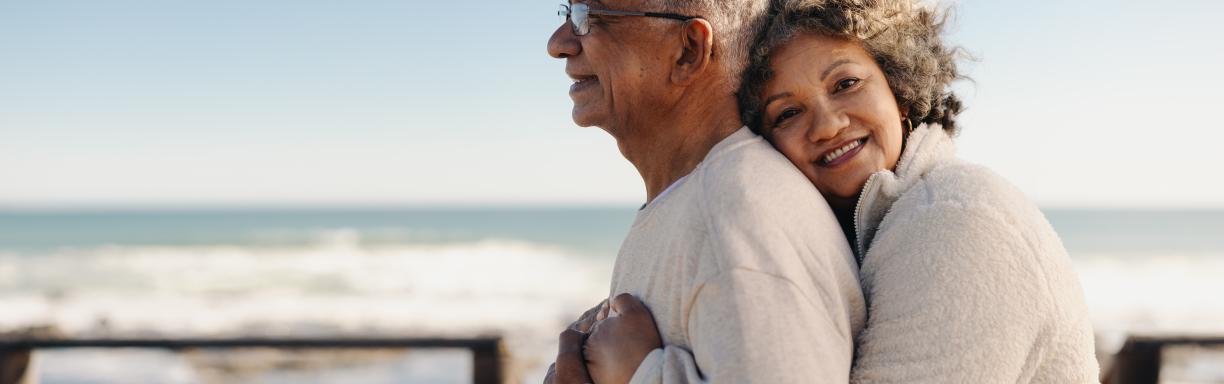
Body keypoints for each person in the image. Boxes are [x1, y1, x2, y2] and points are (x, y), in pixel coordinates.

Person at [582, 0, 1102, 382]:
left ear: (900, 91)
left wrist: (641, 373)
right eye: (787, 113)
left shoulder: (956, 222)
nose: (827, 125)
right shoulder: (877, 225)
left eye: (846, 84)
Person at [544, 0, 867, 383]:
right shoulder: (702, 200)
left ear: (688, 51)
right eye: (568, 14)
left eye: (587, 18)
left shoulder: (736, 218)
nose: (558, 43)